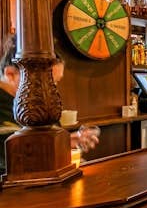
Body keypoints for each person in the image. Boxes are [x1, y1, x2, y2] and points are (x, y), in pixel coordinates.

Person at [0, 36, 98, 174]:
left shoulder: (43, 103)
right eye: (45, 83)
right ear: (10, 74)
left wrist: (66, 141)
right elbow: (13, 159)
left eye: (55, 83)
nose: (52, 90)